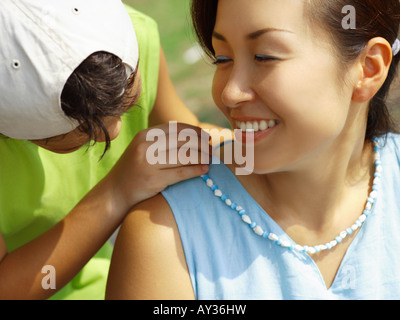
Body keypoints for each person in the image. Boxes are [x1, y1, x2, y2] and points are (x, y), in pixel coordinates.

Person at [106, 0, 400, 300]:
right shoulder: (164, 236)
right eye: (222, 58)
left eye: (263, 56)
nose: (230, 93)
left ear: (368, 68)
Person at [0, 0, 215, 300]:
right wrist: (115, 194)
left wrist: (242, 150)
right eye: (82, 131)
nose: (114, 131)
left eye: (127, 100)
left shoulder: (137, 34)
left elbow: (188, 140)